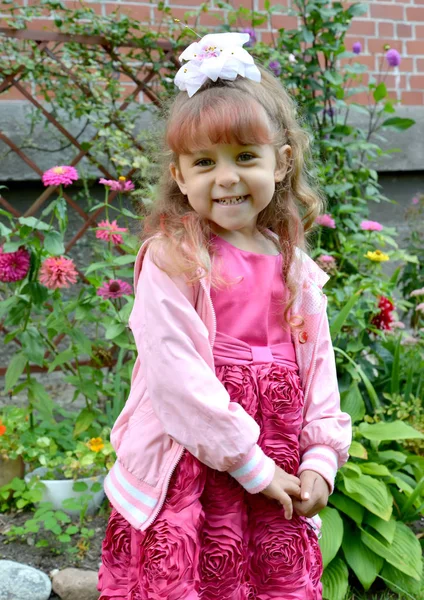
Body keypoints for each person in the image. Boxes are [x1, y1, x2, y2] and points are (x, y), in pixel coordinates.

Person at [98, 31, 352, 600]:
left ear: (281, 162)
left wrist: (319, 457)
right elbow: (177, 377)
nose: (227, 177)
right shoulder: (174, 260)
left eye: (244, 157)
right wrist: (249, 464)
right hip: (196, 459)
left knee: (266, 578)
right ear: (181, 176)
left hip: (279, 453)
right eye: (205, 163)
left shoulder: (296, 268)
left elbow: (319, 372)